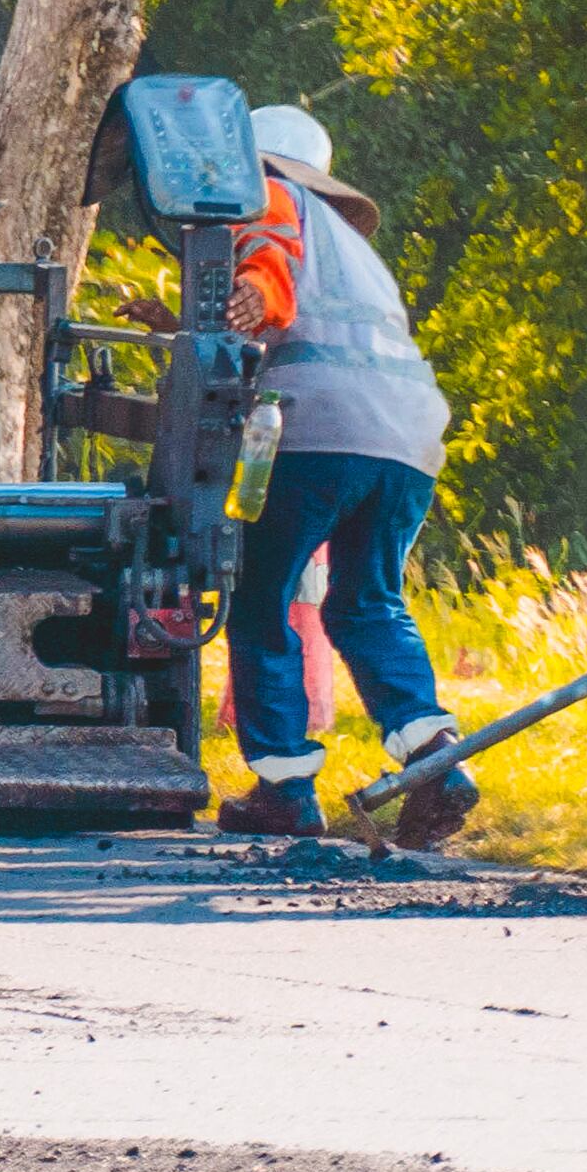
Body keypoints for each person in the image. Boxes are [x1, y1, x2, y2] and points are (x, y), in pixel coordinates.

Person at [215, 105, 469, 846]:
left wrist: (256, 294)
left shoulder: (268, 194)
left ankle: (285, 788)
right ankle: (437, 765)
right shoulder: (358, 253)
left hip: (318, 430)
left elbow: (266, 269)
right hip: (411, 435)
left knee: (262, 595)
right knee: (366, 602)